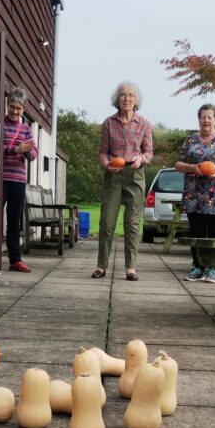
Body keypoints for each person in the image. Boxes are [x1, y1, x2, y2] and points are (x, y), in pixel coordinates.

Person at [92, 82, 153, 281]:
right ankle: (101, 266)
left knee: (132, 223)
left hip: (135, 175)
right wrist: (107, 165)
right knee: (107, 222)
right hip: (114, 173)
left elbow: (149, 152)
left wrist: (141, 159)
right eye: (123, 95)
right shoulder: (108, 123)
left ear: (136, 100)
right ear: (117, 99)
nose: (126, 99)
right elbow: (102, 152)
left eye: (130, 95)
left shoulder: (144, 123)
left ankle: (131, 268)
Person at [175, 104, 215, 283]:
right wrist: (193, 167)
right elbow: (178, 164)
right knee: (196, 232)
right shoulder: (191, 140)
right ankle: (197, 267)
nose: (206, 120)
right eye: (203, 117)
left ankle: (214, 268)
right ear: (199, 119)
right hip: (193, 193)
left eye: (210, 117)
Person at [3, 88, 38, 272]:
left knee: (14, 220)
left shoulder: (26, 129)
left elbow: (34, 155)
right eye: (12, 107)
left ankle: (15, 260)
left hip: (17, 180)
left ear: (23, 109)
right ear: (7, 105)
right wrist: (13, 150)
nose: (15, 111)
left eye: (19, 108)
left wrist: (26, 151)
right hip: (0, 178)